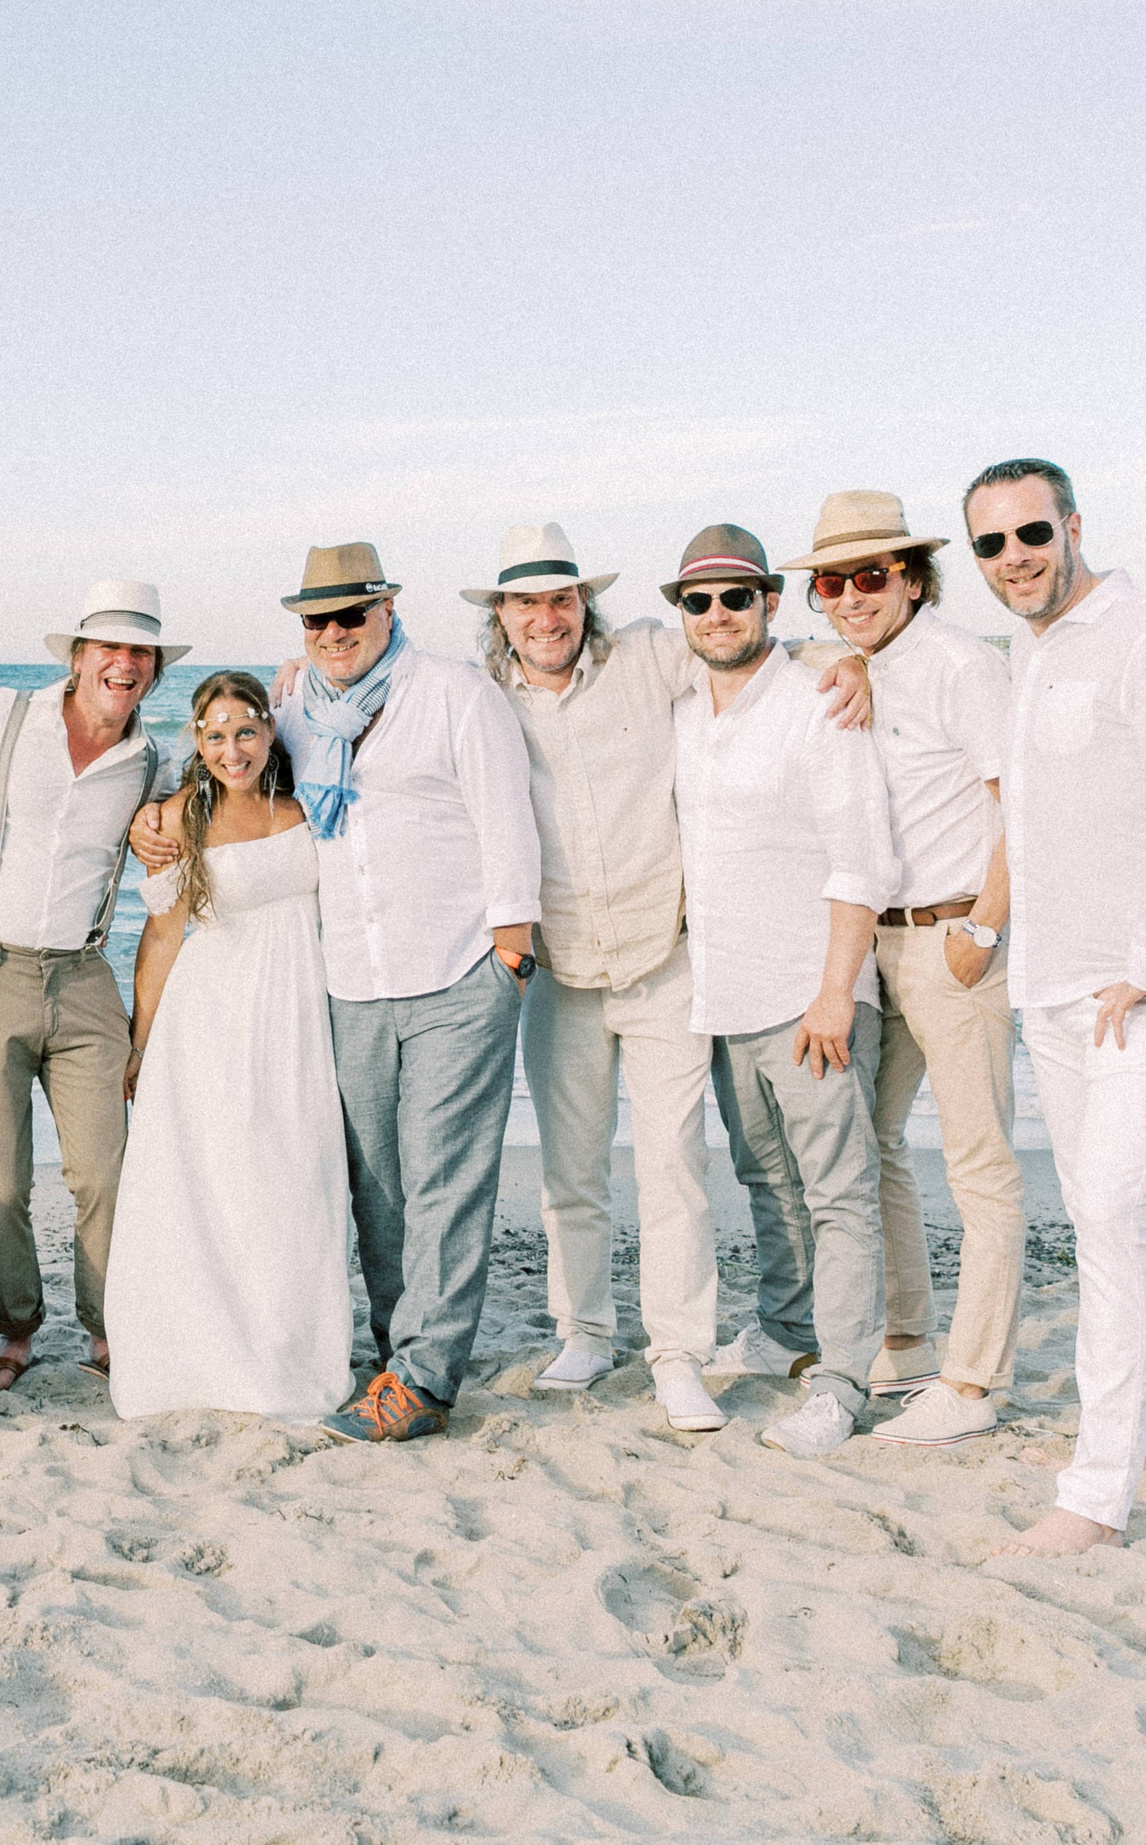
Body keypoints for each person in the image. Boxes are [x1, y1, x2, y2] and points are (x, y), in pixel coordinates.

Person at [471, 524, 871, 1434]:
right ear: (501, 615)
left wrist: (841, 656)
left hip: (664, 960)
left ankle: (679, 1354)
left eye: (561, 599)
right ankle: (584, 1330)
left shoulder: (649, 660)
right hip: (559, 967)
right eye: (526, 602)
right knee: (570, 1169)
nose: (546, 618)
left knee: (674, 1169)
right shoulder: (481, 699)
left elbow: (746, 656)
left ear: (585, 604)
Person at [968, 459, 1146, 1557]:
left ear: (1072, 525)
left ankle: (1093, 1495)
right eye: (988, 546)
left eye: (1029, 534)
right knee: (1110, 1215)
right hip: (1054, 988)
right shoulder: (1024, 649)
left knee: (1107, 1213)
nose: (1013, 560)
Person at [260, 542, 540, 1442]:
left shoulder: (456, 692)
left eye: (352, 614)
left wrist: (510, 953)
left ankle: (424, 1378)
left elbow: (507, 819)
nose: (336, 633)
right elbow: (231, 787)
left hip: (458, 970)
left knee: (445, 1180)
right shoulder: (294, 711)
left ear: (388, 610)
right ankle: (397, 1353)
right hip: (349, 979)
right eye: (318, 620)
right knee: (375, 1185)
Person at [781, 492, 1027, 1447]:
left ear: (915, 579)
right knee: (875, 1139)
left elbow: (1025, 806)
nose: (850, 596)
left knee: (980, 1163)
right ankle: (909, 1339)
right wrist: (842, 655)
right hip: (873, 944)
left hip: (955, 938)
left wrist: (988, 932)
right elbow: (783, 658)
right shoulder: (859, 667)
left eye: (872, 576)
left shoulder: (964, 666)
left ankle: (973, 1385)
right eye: (833, 583)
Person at [666, 525, 901, 1458]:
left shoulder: (818, 703)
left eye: (737, 596)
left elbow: (862, 859)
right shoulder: (685, 709)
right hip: (725, 994)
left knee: (840, 1192)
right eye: (698, 601)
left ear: (770, 600)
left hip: (814, 995)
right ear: (679, 612)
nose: (718, 615)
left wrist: (837, 992)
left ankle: (843, 1384)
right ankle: (786, 1328)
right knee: (766, 1179)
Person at [0, 581, 180, 1392]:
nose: (124, 663)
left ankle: (111, 1330)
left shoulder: (153, 760)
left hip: (83, 978)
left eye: (139, 652)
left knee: (106, 1172)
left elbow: (199, 817)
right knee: (0, 1183)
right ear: (77, 658)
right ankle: (14, 1329)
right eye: (108, 647)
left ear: (153, 670)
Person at [103, 672, 353, 1421]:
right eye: (213, 735)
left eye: (244, 730)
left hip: (297, 1017)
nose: (230, 748)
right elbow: (163, 933)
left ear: (271, 732)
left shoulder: (306, 803)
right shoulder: (180, 817)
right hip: (209, 1019)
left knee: (292, 1182)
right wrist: (141, 1043)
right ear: (198, 743)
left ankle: (288, 1353)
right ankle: (200, 1358)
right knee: (214, 1183)